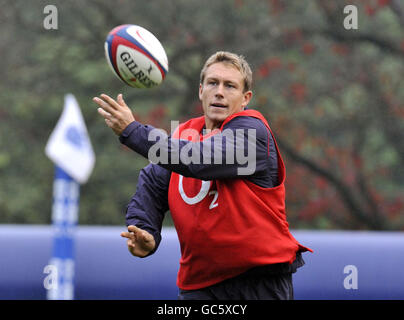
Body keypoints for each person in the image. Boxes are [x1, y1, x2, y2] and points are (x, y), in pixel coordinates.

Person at [93, 51, 312, 300]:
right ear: (200, 91)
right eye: (212, 83)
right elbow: (153, 185)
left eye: (230, 86)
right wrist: (145, 228)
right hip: (199, 285)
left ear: (245, 98)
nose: (219, 91)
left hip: (258, 280)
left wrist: (133, 131)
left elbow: (198, 160)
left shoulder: (253, 132)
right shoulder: (184, 134)